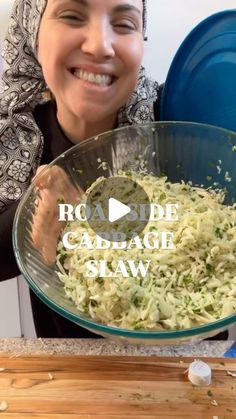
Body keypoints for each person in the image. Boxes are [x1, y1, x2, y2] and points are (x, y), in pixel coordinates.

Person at [0, 0, 228, 339]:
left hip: (196, 368)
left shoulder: (183, 117)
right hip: (78, 374)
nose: (100, 45)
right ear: (32, 32)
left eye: (123, 24)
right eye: (73, 15)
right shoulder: (16, 138)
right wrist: (34, 206)